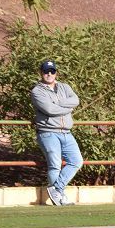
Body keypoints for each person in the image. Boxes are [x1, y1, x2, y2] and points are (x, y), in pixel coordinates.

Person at [30, 60, 83, 206]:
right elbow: (50, 110)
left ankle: (56, 190)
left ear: (56, 73)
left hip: (66, 132)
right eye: (46, 71)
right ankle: (58, 198)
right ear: (41, 73)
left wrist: (57, 104)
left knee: (76, 161)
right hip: (48, 133)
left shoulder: (64, 87)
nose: (49, 74)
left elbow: (75, 100)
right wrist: (67, 108)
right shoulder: (37, 91)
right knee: (55, 165)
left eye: (52, 71)